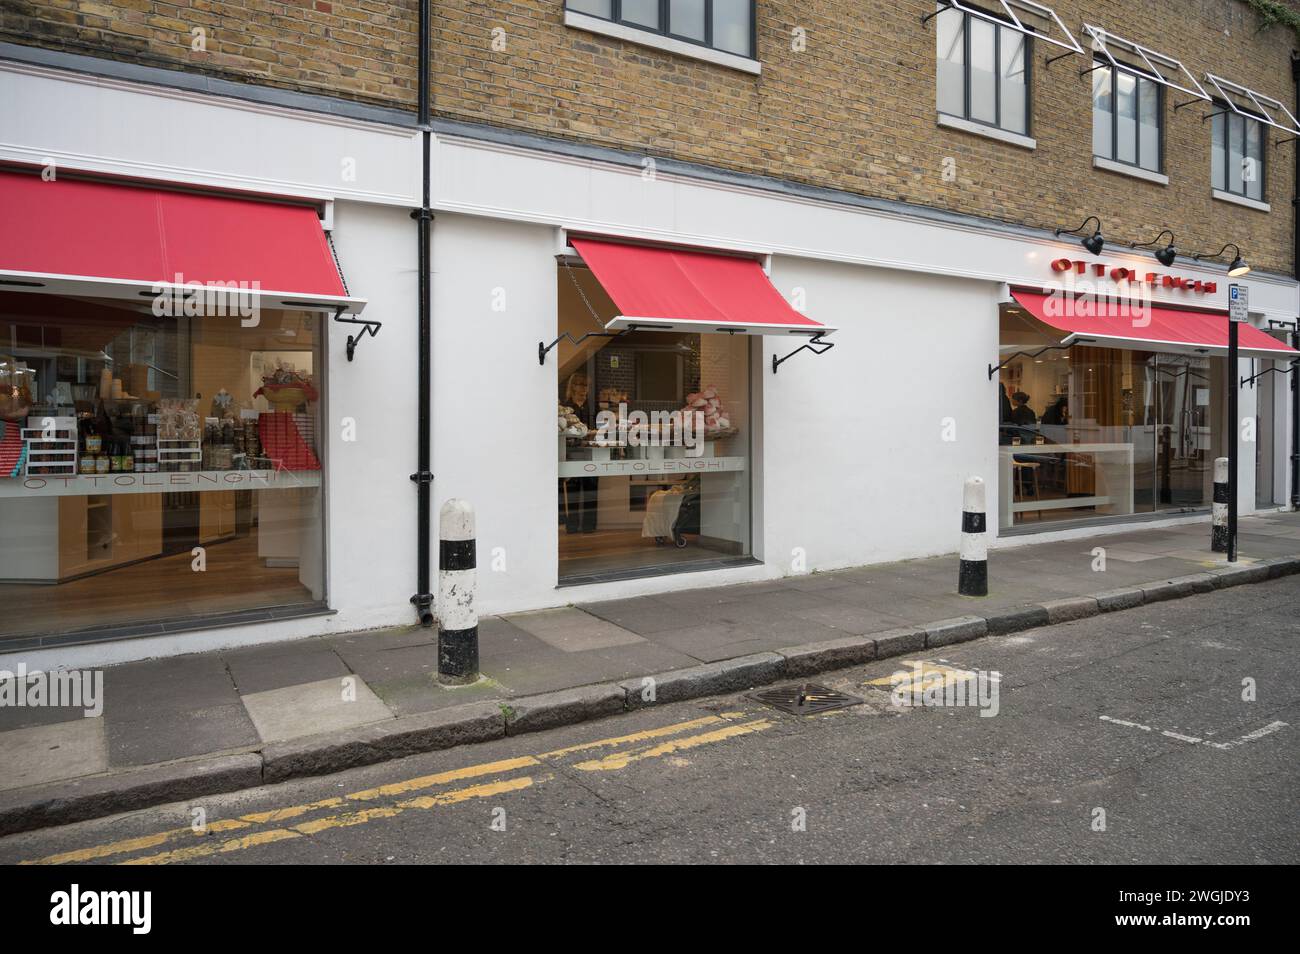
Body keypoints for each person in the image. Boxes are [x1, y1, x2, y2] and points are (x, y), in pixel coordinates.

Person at [561, 371, 598, 534]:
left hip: (590, 452)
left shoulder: (592, 406)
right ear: (573, 386)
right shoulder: (567, 407)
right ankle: (572, 526)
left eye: (586, 385)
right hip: (573, 452)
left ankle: (589, 527)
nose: (583, 389)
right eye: (580, 385)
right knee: (573, 491)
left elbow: (598, 428)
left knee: (591, 491)